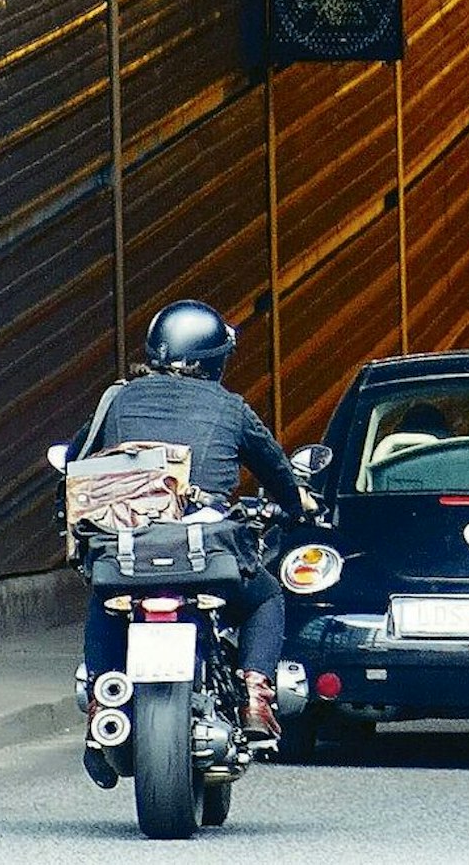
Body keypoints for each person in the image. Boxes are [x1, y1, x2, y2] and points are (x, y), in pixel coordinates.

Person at [67, 299, 311, 788]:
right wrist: (298, 504)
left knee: (104, 600)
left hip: (129, 551)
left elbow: (78, 458)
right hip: (205, 554)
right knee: (266, 597)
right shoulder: (230, 408)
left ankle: (101, 706)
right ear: (216, 358)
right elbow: (276, 469)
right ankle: (255, 695)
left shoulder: (119, 399)